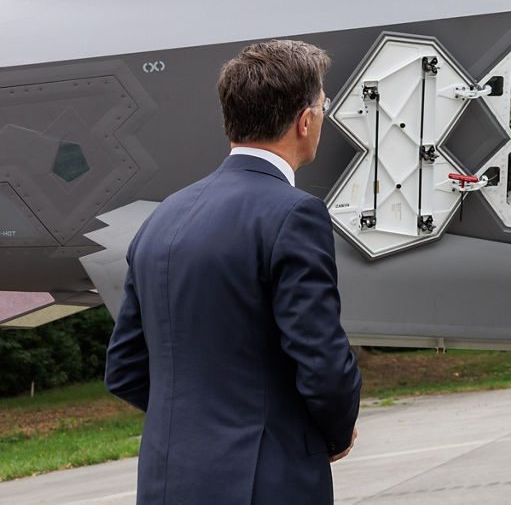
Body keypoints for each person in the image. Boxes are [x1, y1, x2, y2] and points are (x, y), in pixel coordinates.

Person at [105, 39, 362, 505]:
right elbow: (321, 361)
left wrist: (196, 427)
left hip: (166, 482)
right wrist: (334, 431)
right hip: (263, 481)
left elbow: (124, 368)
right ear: (305, 121)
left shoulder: (160, 218)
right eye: (323, 106)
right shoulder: (294, 214)